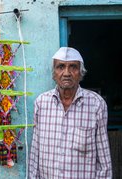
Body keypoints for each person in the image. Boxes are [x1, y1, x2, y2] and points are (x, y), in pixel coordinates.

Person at [29, 47, 112, 178]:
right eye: (60, 67)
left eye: (73, 67)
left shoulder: (96, 104)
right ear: (54, 73)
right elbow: (35, 152)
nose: (66, 73)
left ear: (80, 73)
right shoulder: (41, 103)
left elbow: (104, 158)